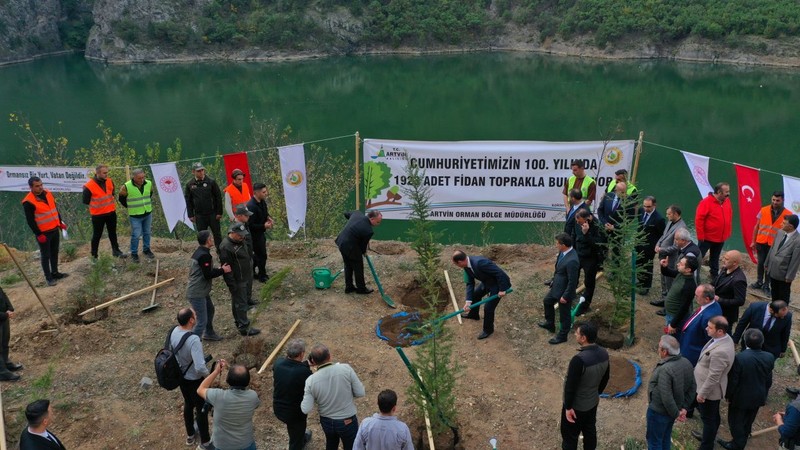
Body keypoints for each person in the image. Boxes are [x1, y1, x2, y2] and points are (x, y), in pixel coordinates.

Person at [301, 343, 365, 450]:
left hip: (327, 422)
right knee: (351, 446)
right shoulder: (346, 369)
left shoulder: (310, 381)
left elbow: (305, 409)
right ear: (330, 356)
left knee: (331, 443)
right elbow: (360, 392)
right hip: (347, 420)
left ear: (313, 361)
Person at [719, 329, 774, 450]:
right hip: (758, 395)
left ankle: (737, 445)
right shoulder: (769, 357)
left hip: (740, 398)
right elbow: (768, 379)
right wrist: (764, 393)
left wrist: (728, 395)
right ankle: (744, 434)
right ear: (762, 341)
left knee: (735, 422)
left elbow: (733, 380)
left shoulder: (740, 358)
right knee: (749, 419)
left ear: (745, 342)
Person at [560, 322, 609, 450]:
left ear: (584, 338)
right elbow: (605, 378)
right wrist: (595, 393)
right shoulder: (604, 353)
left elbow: (570, 387)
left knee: (570, 438)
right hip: (592, 403)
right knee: (590, 433)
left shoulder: (579, 360)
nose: (575, 334)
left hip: (576, 407)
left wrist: (568, 407)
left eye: (577, 333)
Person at [691, 316, 735, 450]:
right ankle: (707, 436)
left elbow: (714, 376)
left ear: (720, 331)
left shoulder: (721, 352)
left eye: (710, 327)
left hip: (709, 391)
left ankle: (706, 445)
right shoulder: (722, 339)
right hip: (705, 385)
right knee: (712, 416)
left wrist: (702, 394)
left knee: (709, 419)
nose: (706, 329)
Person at [170, 308, 212, 449]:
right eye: (194, 314)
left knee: (188, 404)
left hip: (182, 377)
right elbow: (200, 367)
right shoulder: (193, 340)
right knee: (201, 409)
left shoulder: (174, 331)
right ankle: (205, 441)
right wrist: (208, 376)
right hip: (195, 379)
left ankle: (190, 435)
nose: (196, 315)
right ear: (191, 320)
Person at [646, 335, 695, 450]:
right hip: (673, 411)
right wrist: (684, 408)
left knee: (654, 442)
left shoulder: (666, 369)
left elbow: (666, 397)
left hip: (659, 412)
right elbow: (693, 387)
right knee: (665, 437)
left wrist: (677, 414)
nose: (658, 350)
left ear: (665, 351)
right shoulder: (686, 362)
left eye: (659, 347)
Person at [198, 360, 261, 450]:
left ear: (227, 380)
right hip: (246, 444)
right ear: (247, 381)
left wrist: (216, 372)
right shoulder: (252, 396)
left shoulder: (218, 396)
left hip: (222, 446)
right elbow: (256, 405)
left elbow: (200, 389)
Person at [451, 250, 511, 340]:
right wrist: (468, 301)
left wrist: (502, 289)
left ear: (459, 262)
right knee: (475, 295)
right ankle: (474, 315)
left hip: (497, 285)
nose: (457, 266)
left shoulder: (480, 263)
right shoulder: (466, 265)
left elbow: (499, 273)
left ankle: (488, 330)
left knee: (488, 308)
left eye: (456, 264)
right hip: (487, 282)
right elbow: (470, 283)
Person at [22, 176, 68, 286]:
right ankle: (49, 278)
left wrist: (60, 222)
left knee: (54, 252)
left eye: (41, 185)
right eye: (37, 186)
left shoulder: (48, 193)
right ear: (31, 187)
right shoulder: (28, 202)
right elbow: (30, 221)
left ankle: (55, 272)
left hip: (54, 228)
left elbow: (55, 209)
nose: (40, 187)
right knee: (45, 255)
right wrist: (38, 234)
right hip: (44, 233)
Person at [186, 230, 231, 341]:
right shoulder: (204, 255)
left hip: (201, 290)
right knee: (201, 321)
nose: (212, 239)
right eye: (211, 237)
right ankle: (191, 344)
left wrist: (220, 269)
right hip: (197, 292)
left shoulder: (200, 252)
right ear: (208, 240)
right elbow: (207, 274)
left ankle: (209, 333)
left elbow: (206, 271)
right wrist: (223, 270)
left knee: (210, 309)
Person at [219, 223, 260, 336]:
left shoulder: (240, 241)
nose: (243, 237)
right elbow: (227, 269)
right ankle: (244, 327)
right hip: (238, 279)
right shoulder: (226, 247)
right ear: (232, 233)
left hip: (246, 276)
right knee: (240, 303)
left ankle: (240, 321)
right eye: (240, 235)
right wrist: (232, 284)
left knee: (240, 301)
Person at [539, 233, 580, 345]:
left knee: (564, 315)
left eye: (557, 243)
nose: (556, 245)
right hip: (556, 286)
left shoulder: (572, 260)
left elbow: (573, 281)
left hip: (564, 292)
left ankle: (562, 336)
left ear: (563, 245)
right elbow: (559, 270)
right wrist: (553, 280)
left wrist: (565, 296)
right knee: (547, 301)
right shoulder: (563, 253)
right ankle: (550, 323)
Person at [273, 339, 314, 450]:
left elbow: (292, 370)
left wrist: (306, 364)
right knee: (295, 440)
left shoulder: (278, 363)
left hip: (278, 408)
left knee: (295, 430)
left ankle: (300, 437)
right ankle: (298, 442)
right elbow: (302, 374)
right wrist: (307, 366)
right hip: (294, 414)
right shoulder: (304, 372)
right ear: (301, 354)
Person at [750, 191, 791, 295]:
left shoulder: (788, 215)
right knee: (761, 262)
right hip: (761, 241)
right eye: (773, 200)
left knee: (769, 265)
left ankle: (766, 285)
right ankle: (759, 282)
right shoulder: (763, 210)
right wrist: (753, 241)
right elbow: (756, 226)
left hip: (775, 245)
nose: (775, 202)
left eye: (778, 200)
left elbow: (789, 232)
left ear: (783, 200)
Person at [82, 164, 126, 259]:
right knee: (97, 235)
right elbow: (85, 201)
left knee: (112, 233)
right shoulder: (88, 186)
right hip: (98, 215)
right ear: (97, 173)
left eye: (107, 172)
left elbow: (112, 194)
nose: (106, 174)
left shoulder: (110, 181)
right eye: (104, 173)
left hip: (111, 212)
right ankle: (94, 255)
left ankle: (116, 251)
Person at [335, 210, 382, 295]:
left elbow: (346, 213)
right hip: (350, 246)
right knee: (358, 267)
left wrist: (351, 223)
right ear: (372, 219)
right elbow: (362, 246)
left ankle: (349, 287)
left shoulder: (357, 214)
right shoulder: (368, 231)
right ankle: (361, 289)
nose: (378, 224)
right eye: (378, 222)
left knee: (348, 265)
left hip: (341, 242)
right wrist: (364, 252)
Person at [653, 228, 700, 310]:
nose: (674, 241)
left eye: (676, 239)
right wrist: (665, 268)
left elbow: (693, 274)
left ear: (683, 240)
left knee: (684, 303)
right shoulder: (686, 247)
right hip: (682, 278)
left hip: (686, 283)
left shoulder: (690, 253)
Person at [695, 182, 732, 280]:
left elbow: (729, 215)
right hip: (707, 238)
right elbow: (699, 220)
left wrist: (727, 231)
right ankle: (693, 273)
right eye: (726, 192)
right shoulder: (705, 202)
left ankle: (714, 276)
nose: (728, 194)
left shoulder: (727, 201)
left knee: (715, 257)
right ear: (719, 192)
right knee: (699, 256)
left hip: (720, 237)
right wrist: (700, 236)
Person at [678, 284, 722, 366]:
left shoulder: (709, 318)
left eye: (697, 296)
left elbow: (709, 340)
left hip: (693, 354)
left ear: (707, 299)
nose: (695, 297)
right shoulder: (712, 304)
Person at [119, 168, 155, 263]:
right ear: (134, 178)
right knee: (136, 234)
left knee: (147, 232)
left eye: (143, 177)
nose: (142, 179)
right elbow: (121, 199)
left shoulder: (149, 183)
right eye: (139, 178)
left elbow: (150, 194)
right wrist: (130, 207)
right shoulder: (126, 186)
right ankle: (134, 253)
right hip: (135, 215)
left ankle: (146, 249)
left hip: (147, 212)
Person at [185, 162, 223, 251]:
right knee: (202, 236)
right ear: (193, 172)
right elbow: (188, 200)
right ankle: (204, 253)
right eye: (198, 171)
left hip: (212, 213)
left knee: (217, 234)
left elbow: (218, 197)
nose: (201, 172)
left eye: (202, 170)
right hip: (199, 215)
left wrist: (219, 212)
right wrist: (190, 214)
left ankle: (220, 252)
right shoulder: (190, 184)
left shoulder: (211, 182)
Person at [765, 214, 800, 303]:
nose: (781, 224)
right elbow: (772, 248)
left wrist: (790, 276)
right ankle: (774, 308)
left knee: (783, 296)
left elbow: (795, 261)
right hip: (773, 270)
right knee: (774, 292)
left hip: (783, 275)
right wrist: (767, 263)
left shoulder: (797, 241)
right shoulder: (780, 232)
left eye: (784, 223)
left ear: (791, 226)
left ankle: (782, 314)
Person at [573, 209, 603, 316]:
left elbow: (597, 245)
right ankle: (570, 297)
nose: (578, 223)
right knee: (572, 275)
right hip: (578, 254)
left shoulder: (597, 226)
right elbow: (574, 235)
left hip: (590, 258)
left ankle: (585, 306)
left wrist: (586, 234)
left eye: (580, 221)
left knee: (589, 283)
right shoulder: (577, 221)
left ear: (586, 219)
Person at [655, 204, 687, 300]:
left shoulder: (681, 228)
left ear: (675, 214)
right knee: (663, 277)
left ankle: (668, 300)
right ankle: (663, 297)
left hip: (671, 258)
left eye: (669, 214)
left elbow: (676, 247)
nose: (667, 216)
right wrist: (658, 244)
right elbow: (663, 235)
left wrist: (662, 249)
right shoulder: (670, 222)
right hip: (663, 255)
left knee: (668, 280)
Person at [636, 196, 665, 295]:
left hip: (649, 246)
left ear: (654, 205)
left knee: (647, 265)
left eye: (648, 207)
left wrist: (657, 246)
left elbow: (662, 235)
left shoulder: (659, 219)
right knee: (638, 262)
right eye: (644, 206)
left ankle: (646, 286)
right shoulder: (641, 211)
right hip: (638, 243)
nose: (646, 208)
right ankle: (640, 281)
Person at [661, 256, 699, 332]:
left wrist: (673, 324)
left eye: (681, 264)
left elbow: (684, 308)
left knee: (674, 339)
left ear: (688, 270)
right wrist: (664, 267)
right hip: (669, 313)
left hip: (675, 317)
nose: (678, 264)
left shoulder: (689, 285)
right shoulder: (681, 274)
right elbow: (667, 272)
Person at [711, 250, 747, 329]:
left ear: (734, 263)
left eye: (726, 259)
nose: (723, 260)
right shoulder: (724, 268)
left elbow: (740, 301)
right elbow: (716, 282)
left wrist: (720, 299)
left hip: (726, 314)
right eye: (724, 257)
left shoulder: (739, 280)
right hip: (716, 308)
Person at [247, 183, 274, 283]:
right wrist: (264, 226)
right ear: (256, 193)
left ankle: (254, 271)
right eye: (263, 192)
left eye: (265, 191)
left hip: (260, 233)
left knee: (258, 255)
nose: (266, 193)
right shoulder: (251, 206)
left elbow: (265, 212)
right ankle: (262, 275)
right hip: (253, 235)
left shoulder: (262, 202)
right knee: (262, 255)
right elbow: (250, 225)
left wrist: (268, 218)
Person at [232, 205, 257, 307]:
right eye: (246, 216)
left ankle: (248, 299)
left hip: (248, 256)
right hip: (242, 260)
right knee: (243, 283)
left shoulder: (244, 225)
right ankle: (244, 303)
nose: (248, 217)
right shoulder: (235, 228)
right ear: (240, 216)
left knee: (249, 280)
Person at [0, 287, 22, 382]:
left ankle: (5, 363)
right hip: (2, 316)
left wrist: (10, 308)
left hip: (3, 317)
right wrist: (4, 315)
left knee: (5, 342)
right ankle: (2, 372)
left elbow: (2, 294)